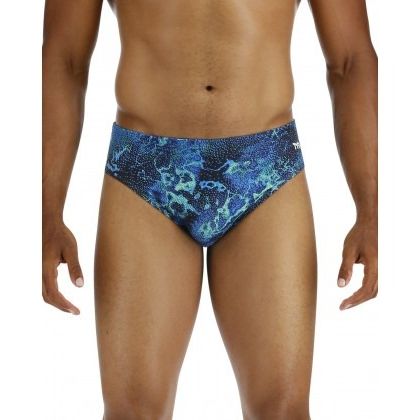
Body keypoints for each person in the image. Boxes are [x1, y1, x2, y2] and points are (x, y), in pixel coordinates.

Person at [42, 0, 378, 418]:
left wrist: (371, 212)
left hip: (263, 168)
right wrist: (48, 214)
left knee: (283, 412)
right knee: (131, 412)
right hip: (146, 170)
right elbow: (64, 59)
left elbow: (350, 59)